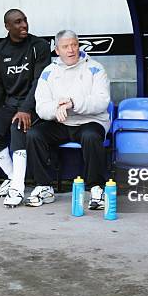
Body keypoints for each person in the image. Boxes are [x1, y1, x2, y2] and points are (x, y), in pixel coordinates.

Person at [27, 30, 111, 208]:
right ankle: (44, 186)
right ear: (57, 50)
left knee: (91, 136)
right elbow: (41, 106)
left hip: (90, 121)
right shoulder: (48, 72)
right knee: (34, 134)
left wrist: (73, 102)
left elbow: (102, 101)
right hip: (61, 122)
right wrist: (55, 109)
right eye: (65, 47)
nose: (71, 50)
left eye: (74, 45)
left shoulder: (95, 68)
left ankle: (96, 188)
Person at [0, 9, 51, 208]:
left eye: (25, 21)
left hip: (35, 104)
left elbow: (40, 82)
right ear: (7, 26)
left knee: (18, 127)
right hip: (10, 104)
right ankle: (14, 177)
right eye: (17, 22)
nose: (23, 25)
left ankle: (17, 188)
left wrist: (26, 108)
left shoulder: (39, 46)